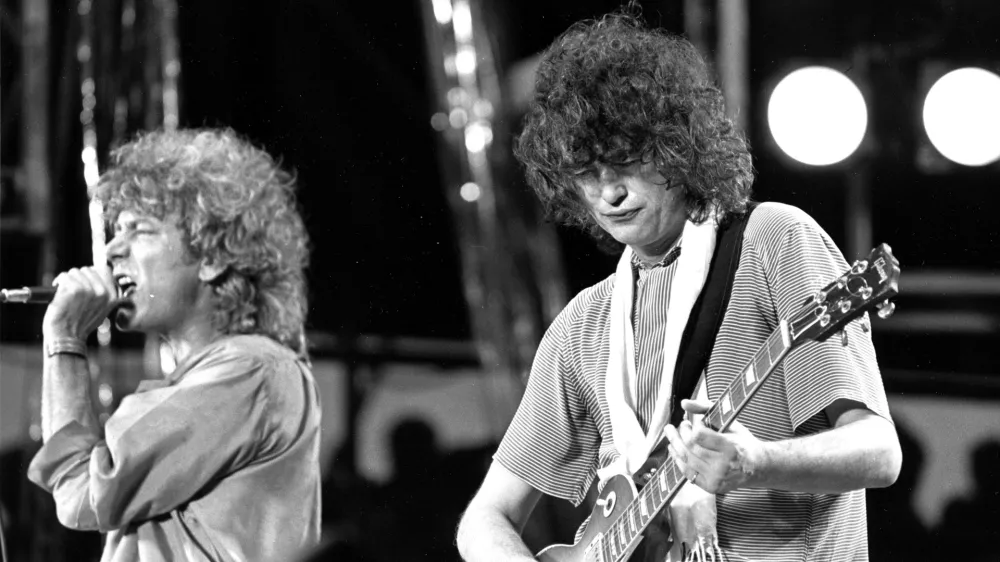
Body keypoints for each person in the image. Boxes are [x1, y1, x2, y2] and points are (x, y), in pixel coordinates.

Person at [456, 10, 902, 562]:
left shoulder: (773, 242)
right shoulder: (581, 327)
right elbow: (484, 518)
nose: (608, 193)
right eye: (586, 173)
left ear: (676, 146)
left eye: (624, 161)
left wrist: (755, 463)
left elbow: (879, 453)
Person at [27, 128, 321, 561]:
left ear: (212, 258)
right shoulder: (224, 377)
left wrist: (66, 340)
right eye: (115, 230)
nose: (110, 250)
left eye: (139, 230)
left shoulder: (250, 371)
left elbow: (82, 493)